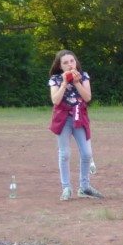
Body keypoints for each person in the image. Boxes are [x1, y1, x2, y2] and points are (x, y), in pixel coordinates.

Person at [49, 49, 104, 201]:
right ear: (60, 66)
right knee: (65, 154)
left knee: (86, 153)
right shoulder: (55, 79)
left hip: (79, 116)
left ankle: (84, 187)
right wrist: (64, 83)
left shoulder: (83, 76)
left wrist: (76, 82)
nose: (70, 65)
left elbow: (87, 97)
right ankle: (66, 187)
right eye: (65, 63)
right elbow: (55, 100)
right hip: (63, 118)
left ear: (76, 62)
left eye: (72, 61)